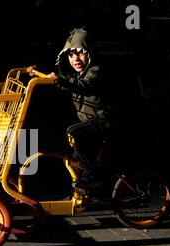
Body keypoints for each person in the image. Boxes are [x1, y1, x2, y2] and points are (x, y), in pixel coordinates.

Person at [29, 27, 116, 190]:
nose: (76, 58)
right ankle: (91, 183)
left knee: (73, 132)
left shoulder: (96, 71)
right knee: (72, 138)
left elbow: (85, 86)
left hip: (105, 121)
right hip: (90, 121)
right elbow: (68, 82)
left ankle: (94, 175)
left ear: (90, 52)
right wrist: (38, 71)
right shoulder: (77, 74)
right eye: (71, 54)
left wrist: (59, 80)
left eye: (80, 53)